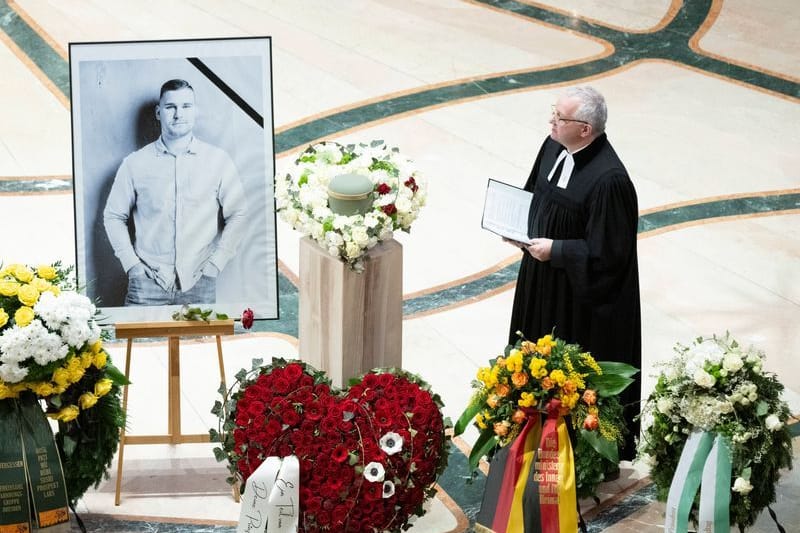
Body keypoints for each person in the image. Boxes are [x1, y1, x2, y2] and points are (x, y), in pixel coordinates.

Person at [506, 86, 641, 460]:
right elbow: (534, 193)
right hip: (541, 282)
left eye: (560, 117)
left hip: (577, 302)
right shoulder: (554, 146)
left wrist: (558, 250)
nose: (552, 121)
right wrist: (516, 225)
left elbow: (611, 255)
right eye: (554, 112)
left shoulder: (610, 180)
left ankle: (573, 453)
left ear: (585, 129)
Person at [103, 79, 248, 306]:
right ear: (159, 112)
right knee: (142, 343)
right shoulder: (134, 164)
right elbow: (113, 216)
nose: (178, 114)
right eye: (171, 107)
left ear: (195, 110)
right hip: (146, 285)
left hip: (199, 284)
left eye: (186, 106)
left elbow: (239, 213)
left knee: (200, 343)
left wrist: (215, 265)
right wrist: (132, 265)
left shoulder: (218, 161)